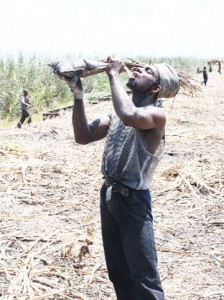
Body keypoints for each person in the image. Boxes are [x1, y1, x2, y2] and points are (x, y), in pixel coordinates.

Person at [56, 56, 180, 300]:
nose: (136, 71)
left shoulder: (155, 116)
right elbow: (83, 135)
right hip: (110, 196)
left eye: (146, 71)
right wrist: (77, 95)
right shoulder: (117, 115)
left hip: (134, 201)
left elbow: (128, 114)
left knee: (144, 277)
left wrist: (113, 73)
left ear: (155, 88)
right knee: (119, 272)